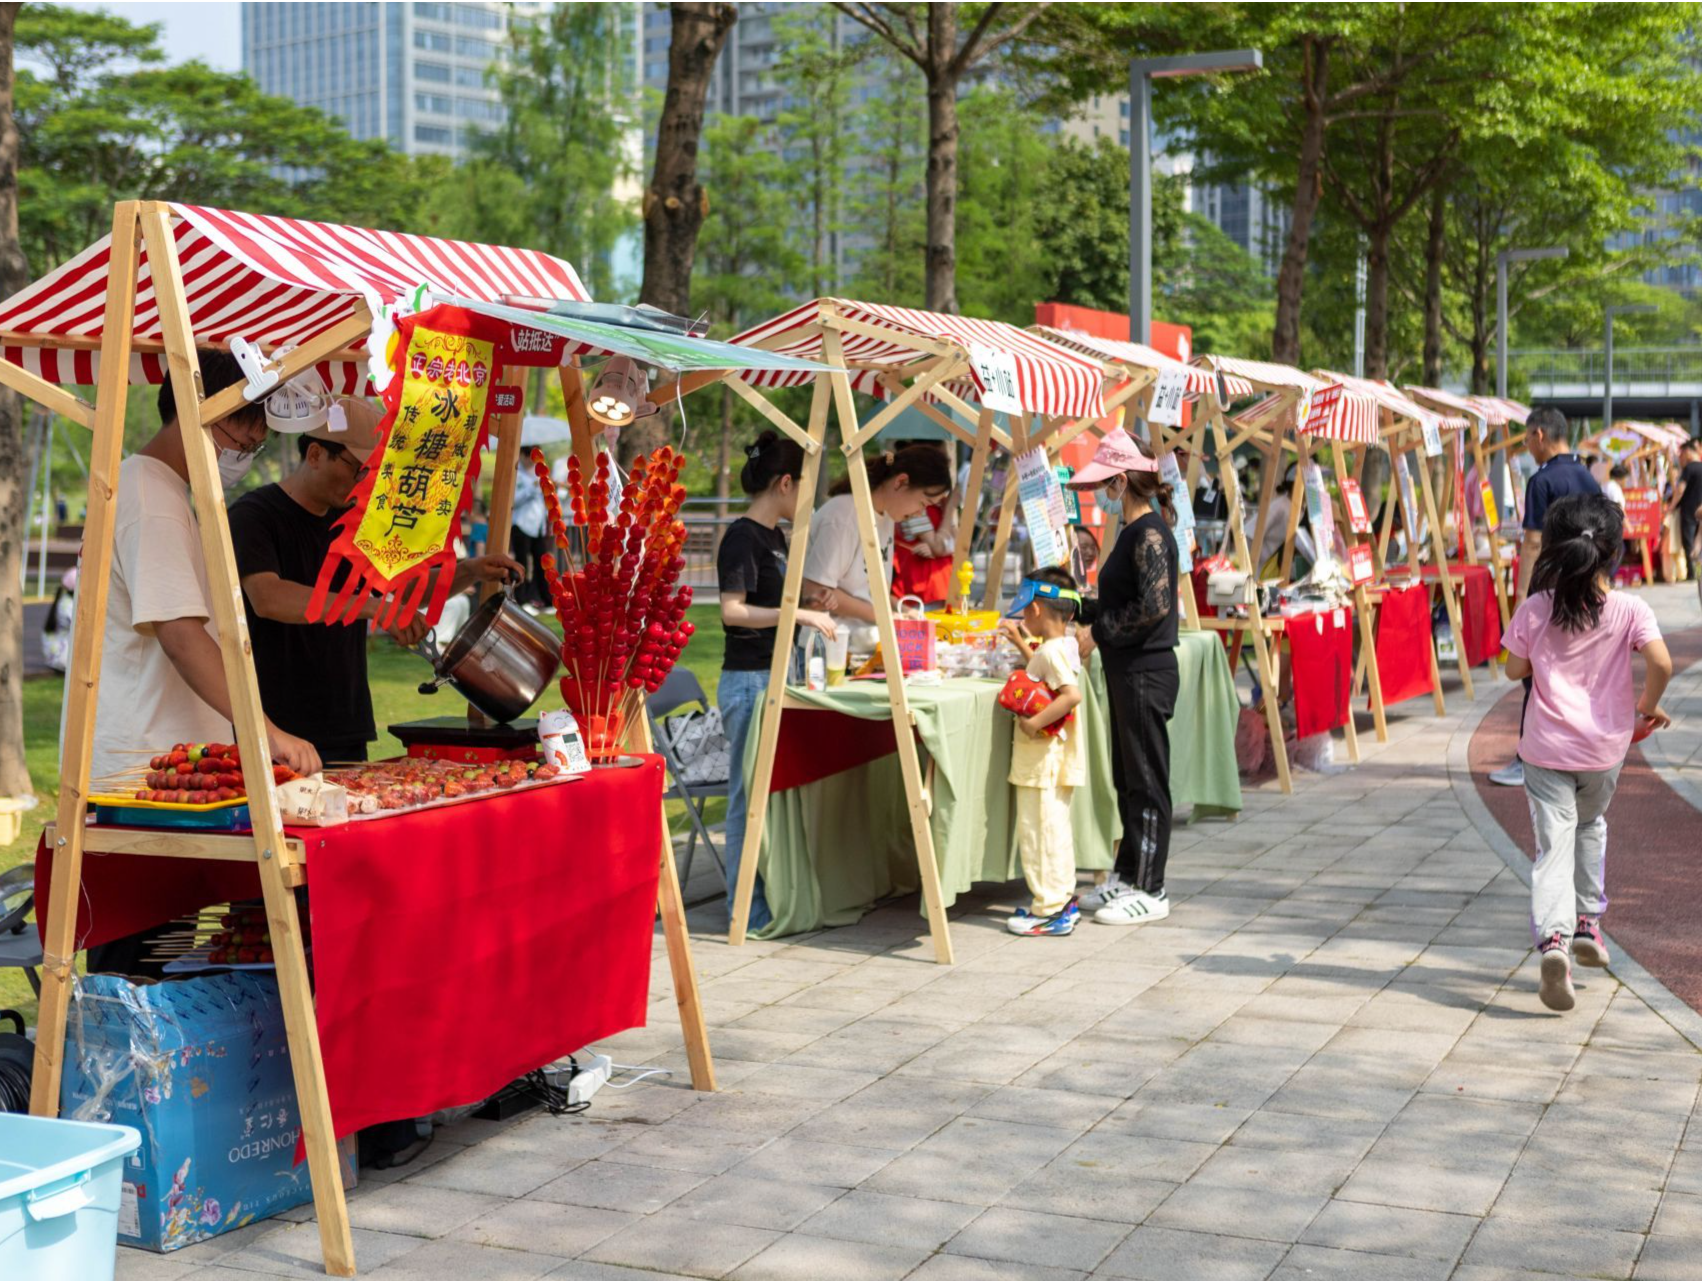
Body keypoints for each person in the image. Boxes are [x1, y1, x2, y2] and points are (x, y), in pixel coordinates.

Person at [230, 396, 522, 765]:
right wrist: (375, 608)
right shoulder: (254, 516)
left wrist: (470, 571)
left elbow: (400, 588)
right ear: (316, 454)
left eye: (374, 474)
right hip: (276, 729)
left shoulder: (356, 522)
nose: (364, 483)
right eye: (359, 469)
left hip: (346, 723)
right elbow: (268, 597)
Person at [88, 349, 321, 786]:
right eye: (241, 443)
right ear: (195, 413)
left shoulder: (161, 490)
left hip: (170, 761)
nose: (244, 458)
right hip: (146, 769)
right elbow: (180, 633)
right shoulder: (151, 497)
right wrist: (263, 730)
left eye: (256, 447)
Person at [1501, 494, 1670, 1011]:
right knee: (1591, 826)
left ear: (1557, 551)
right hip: (1604, 751)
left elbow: (1513, 671)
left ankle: (1553, 941)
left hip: (1546, 748)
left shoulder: (1537, 607)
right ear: (1612, 553)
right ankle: (1588, 924)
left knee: (1554, 844)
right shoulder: (1630, 609)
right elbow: (1660, 663)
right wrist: (1648, 705)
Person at [717, 431, 837, 931]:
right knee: (748, 798)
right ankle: (744, 909)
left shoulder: (776, 538)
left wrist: (808, 607)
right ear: (785, 483)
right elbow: (733, 611)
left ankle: (766, 897)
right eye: (804, 490)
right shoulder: (743, 537)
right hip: (748, 681)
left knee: (770, 795)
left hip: (774, 674)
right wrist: (799, 618)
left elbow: (771, 605)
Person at [1070, 429, 1179, 926]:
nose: (1101, 496)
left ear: (1120, 481)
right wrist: (1073, 606)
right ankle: (1130, 873)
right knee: (1127, 778)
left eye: (1104, 486)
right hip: (1127, 670)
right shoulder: (1133, 531)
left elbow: (1154, 606)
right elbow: (1122, 599)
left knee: (1146, 780)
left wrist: (1098, 631)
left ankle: (1151, 888)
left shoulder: (1150, 532)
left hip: (1144, 671)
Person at [1490, 407, 1600, 788]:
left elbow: (1534, 541)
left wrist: (1521, 596)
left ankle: (1528, 757)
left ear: (1539, 435)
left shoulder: (1543, 481)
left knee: (1535, 675)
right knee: (1574, 672)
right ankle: (1571, 753)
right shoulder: (1588, 476)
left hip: (1549, 590)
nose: (1525, 446)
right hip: (1585, 588)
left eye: (1525, 438)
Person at [998, 565, 1087, 937]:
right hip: (1055, 761)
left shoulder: (1052, 653)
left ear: (1034, 609)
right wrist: (1021, 644)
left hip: (1041, 761)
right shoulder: (1061, 646)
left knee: (1037, 834)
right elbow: (1046, 671)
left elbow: (1071, 695)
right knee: (1055, 831)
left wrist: (1033, 724)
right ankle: (1062, 901)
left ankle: (1048, 909)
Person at [801, 444, 953, 621]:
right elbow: (815, 593)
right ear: (901, 482)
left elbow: (865, 592)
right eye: (923, 504)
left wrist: (903, 610)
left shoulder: (886, 517)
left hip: (864, 638)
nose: (920, 513)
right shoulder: (843, 516)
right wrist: (887, 617)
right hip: (832, 642)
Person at [891, 441, 958, 606]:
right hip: (922, 587)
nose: (949, 463)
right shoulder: (915, 504)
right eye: (943, 459)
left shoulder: (935, 503)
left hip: (939, 584)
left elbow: (959, 540)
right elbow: (938, 546)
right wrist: (950, 507)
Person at [510, 458, 551, 610]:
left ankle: (545, 599)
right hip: (521, 524)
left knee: (542, 563)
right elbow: (513, 499)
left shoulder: (539, 474)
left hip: (537, 526)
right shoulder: (517, 473)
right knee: (521, 564)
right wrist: (531, 489)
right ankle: (521, 600)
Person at [1667, 438, 1702, 579]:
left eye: (1681, 455)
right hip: (1701, 511)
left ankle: (1693, 574)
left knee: (1689, 544)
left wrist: (1671, 507)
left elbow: (1680, 490)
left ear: (1688, 452)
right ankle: (1699, 573)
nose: (1680, 459)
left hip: (1689, 512)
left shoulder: (1689, 468)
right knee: (1699, 543)